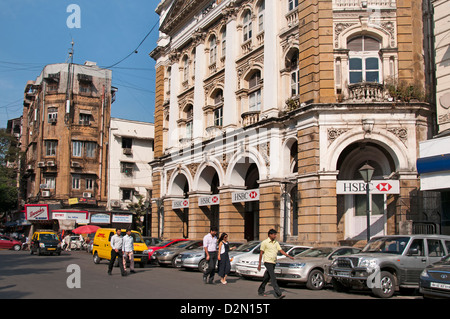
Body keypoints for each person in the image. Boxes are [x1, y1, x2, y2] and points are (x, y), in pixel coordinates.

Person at [257, 229, 294, 299]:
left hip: (273, 261)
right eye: (274, 234)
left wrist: (288, 256)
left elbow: (281, 250)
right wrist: (259, 264)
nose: (275, 236)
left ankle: (260, 290)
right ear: (270, 235)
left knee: (266, 277)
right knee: (273, 278)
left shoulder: (276, 243)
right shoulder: (265, 242)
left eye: (275, 234)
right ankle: (278, 294)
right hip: (267, 261)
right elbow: (261, 253)